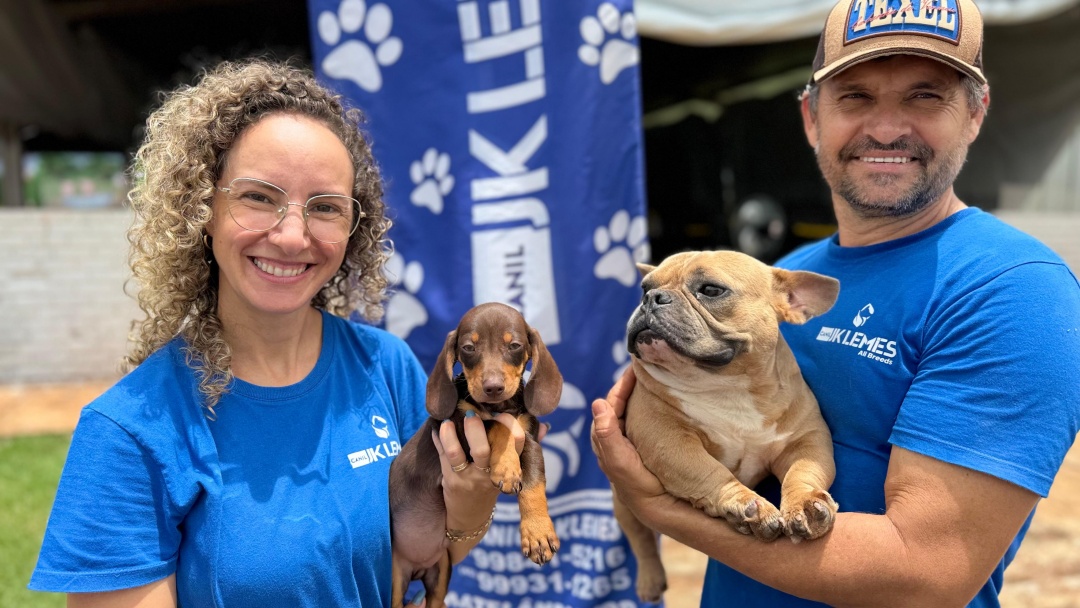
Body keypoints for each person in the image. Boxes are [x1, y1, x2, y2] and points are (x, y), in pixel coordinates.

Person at [591, 0, 1080, 606]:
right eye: (854, 97)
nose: (886, 128)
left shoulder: (1014, 290)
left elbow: (924, 575)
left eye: (926, 97)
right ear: (811, 118)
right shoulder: (782, 281)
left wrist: (661, 505)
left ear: (976, 114)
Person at [29, 58, 524, 608]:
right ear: (202, 208)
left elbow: (437, 548)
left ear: (353, 228)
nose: (292, 236)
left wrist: (471, 506)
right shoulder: (128, 431)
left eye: (326, 207)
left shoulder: (388, 366)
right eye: (259, 197)